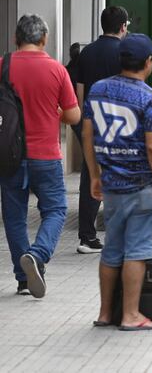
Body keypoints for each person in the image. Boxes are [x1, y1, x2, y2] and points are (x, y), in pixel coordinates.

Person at [81, 33, 152, 330]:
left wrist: (95, 175)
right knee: (137, 249)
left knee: (112, 249)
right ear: (147, 63)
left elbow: (87, 134)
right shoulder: (150, 99)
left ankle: (105, 313)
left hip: (111, 185)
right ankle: (131, 315)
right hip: (141, 187)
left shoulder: (98, 90)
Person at [0, 15, 81, 298]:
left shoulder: (2, 65)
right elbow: (73, 116)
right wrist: (53, 112)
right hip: (46, 155)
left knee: (14, 217)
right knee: (56, 209)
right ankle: (38, 254)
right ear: (44, 39)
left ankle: (23, 278)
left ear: (15, 38)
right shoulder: (57, 70)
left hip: (9, 154)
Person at [75, 5, 130, 254]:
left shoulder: (86, 52)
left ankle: (86, 237)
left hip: (92, 124)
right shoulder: (125, 52)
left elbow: (79, 92)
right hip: (120, 124)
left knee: (91, 177)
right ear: (123, 26)